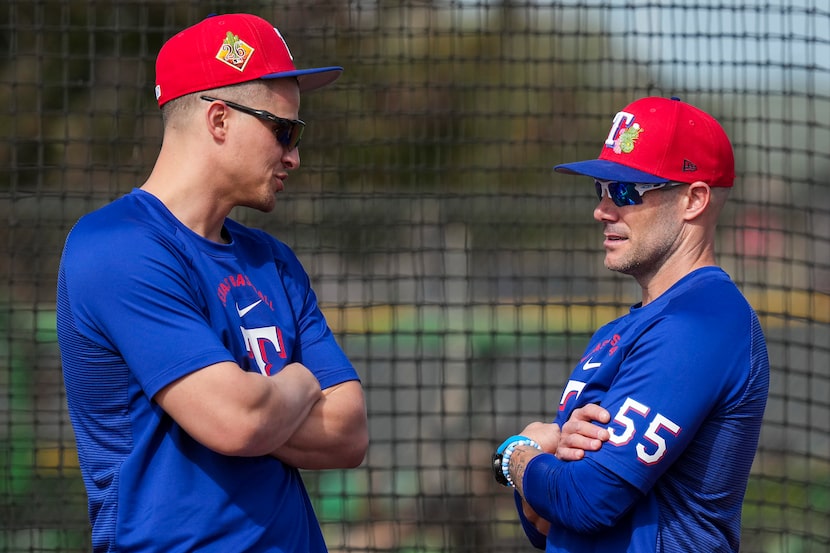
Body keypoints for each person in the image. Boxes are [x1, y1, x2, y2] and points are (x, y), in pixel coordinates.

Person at [56, 13, 368, 552]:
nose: (294, 154)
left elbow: (348, 432)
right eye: (284, 131)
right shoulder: (116, 244)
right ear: (219, 120)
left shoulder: (273, 259)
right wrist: (296, 380)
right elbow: (238, 421)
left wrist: (259, 403)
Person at [492, 96, 769, 552]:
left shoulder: (703, 320)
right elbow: (549, 522)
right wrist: (552, 458)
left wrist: (515, 454)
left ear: (694, 200)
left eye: (626, 191)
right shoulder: (618, 333)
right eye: (600, 189)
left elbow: (583, 500)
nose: (603, 210)